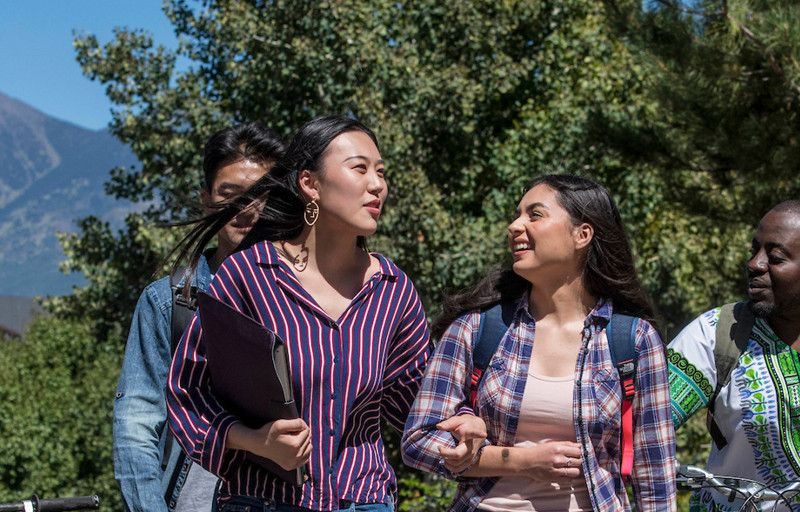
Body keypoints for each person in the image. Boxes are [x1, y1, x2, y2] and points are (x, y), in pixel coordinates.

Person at [166, 115, 432, 512]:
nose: (377, 185)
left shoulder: (393, 290)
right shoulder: (249, 276)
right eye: (359, 168)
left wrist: (461, 422)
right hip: (263, 501)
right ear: (309, 183)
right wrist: (255, 441)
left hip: (365, 500)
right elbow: (188, 392)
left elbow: (418, 404)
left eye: (381, 172)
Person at [402, 174, 676, 512]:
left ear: (582, 235)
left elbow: (655, 475)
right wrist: (519, 460)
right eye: (517, 215)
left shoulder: (633, 340)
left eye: (535, 215)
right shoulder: (475, 329)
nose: (514, 226)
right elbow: (418, 440)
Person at [113, 122, 285, 512]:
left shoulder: (315, 298)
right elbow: (136, 424)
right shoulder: (169, 302)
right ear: (206, 200)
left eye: (261, 194)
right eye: (229, 194)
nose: (246, 209)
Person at [667, 200, 800, 511]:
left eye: (775, 257)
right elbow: (644, 424)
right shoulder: (718, 332)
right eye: (754, 250)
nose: (755, 264)